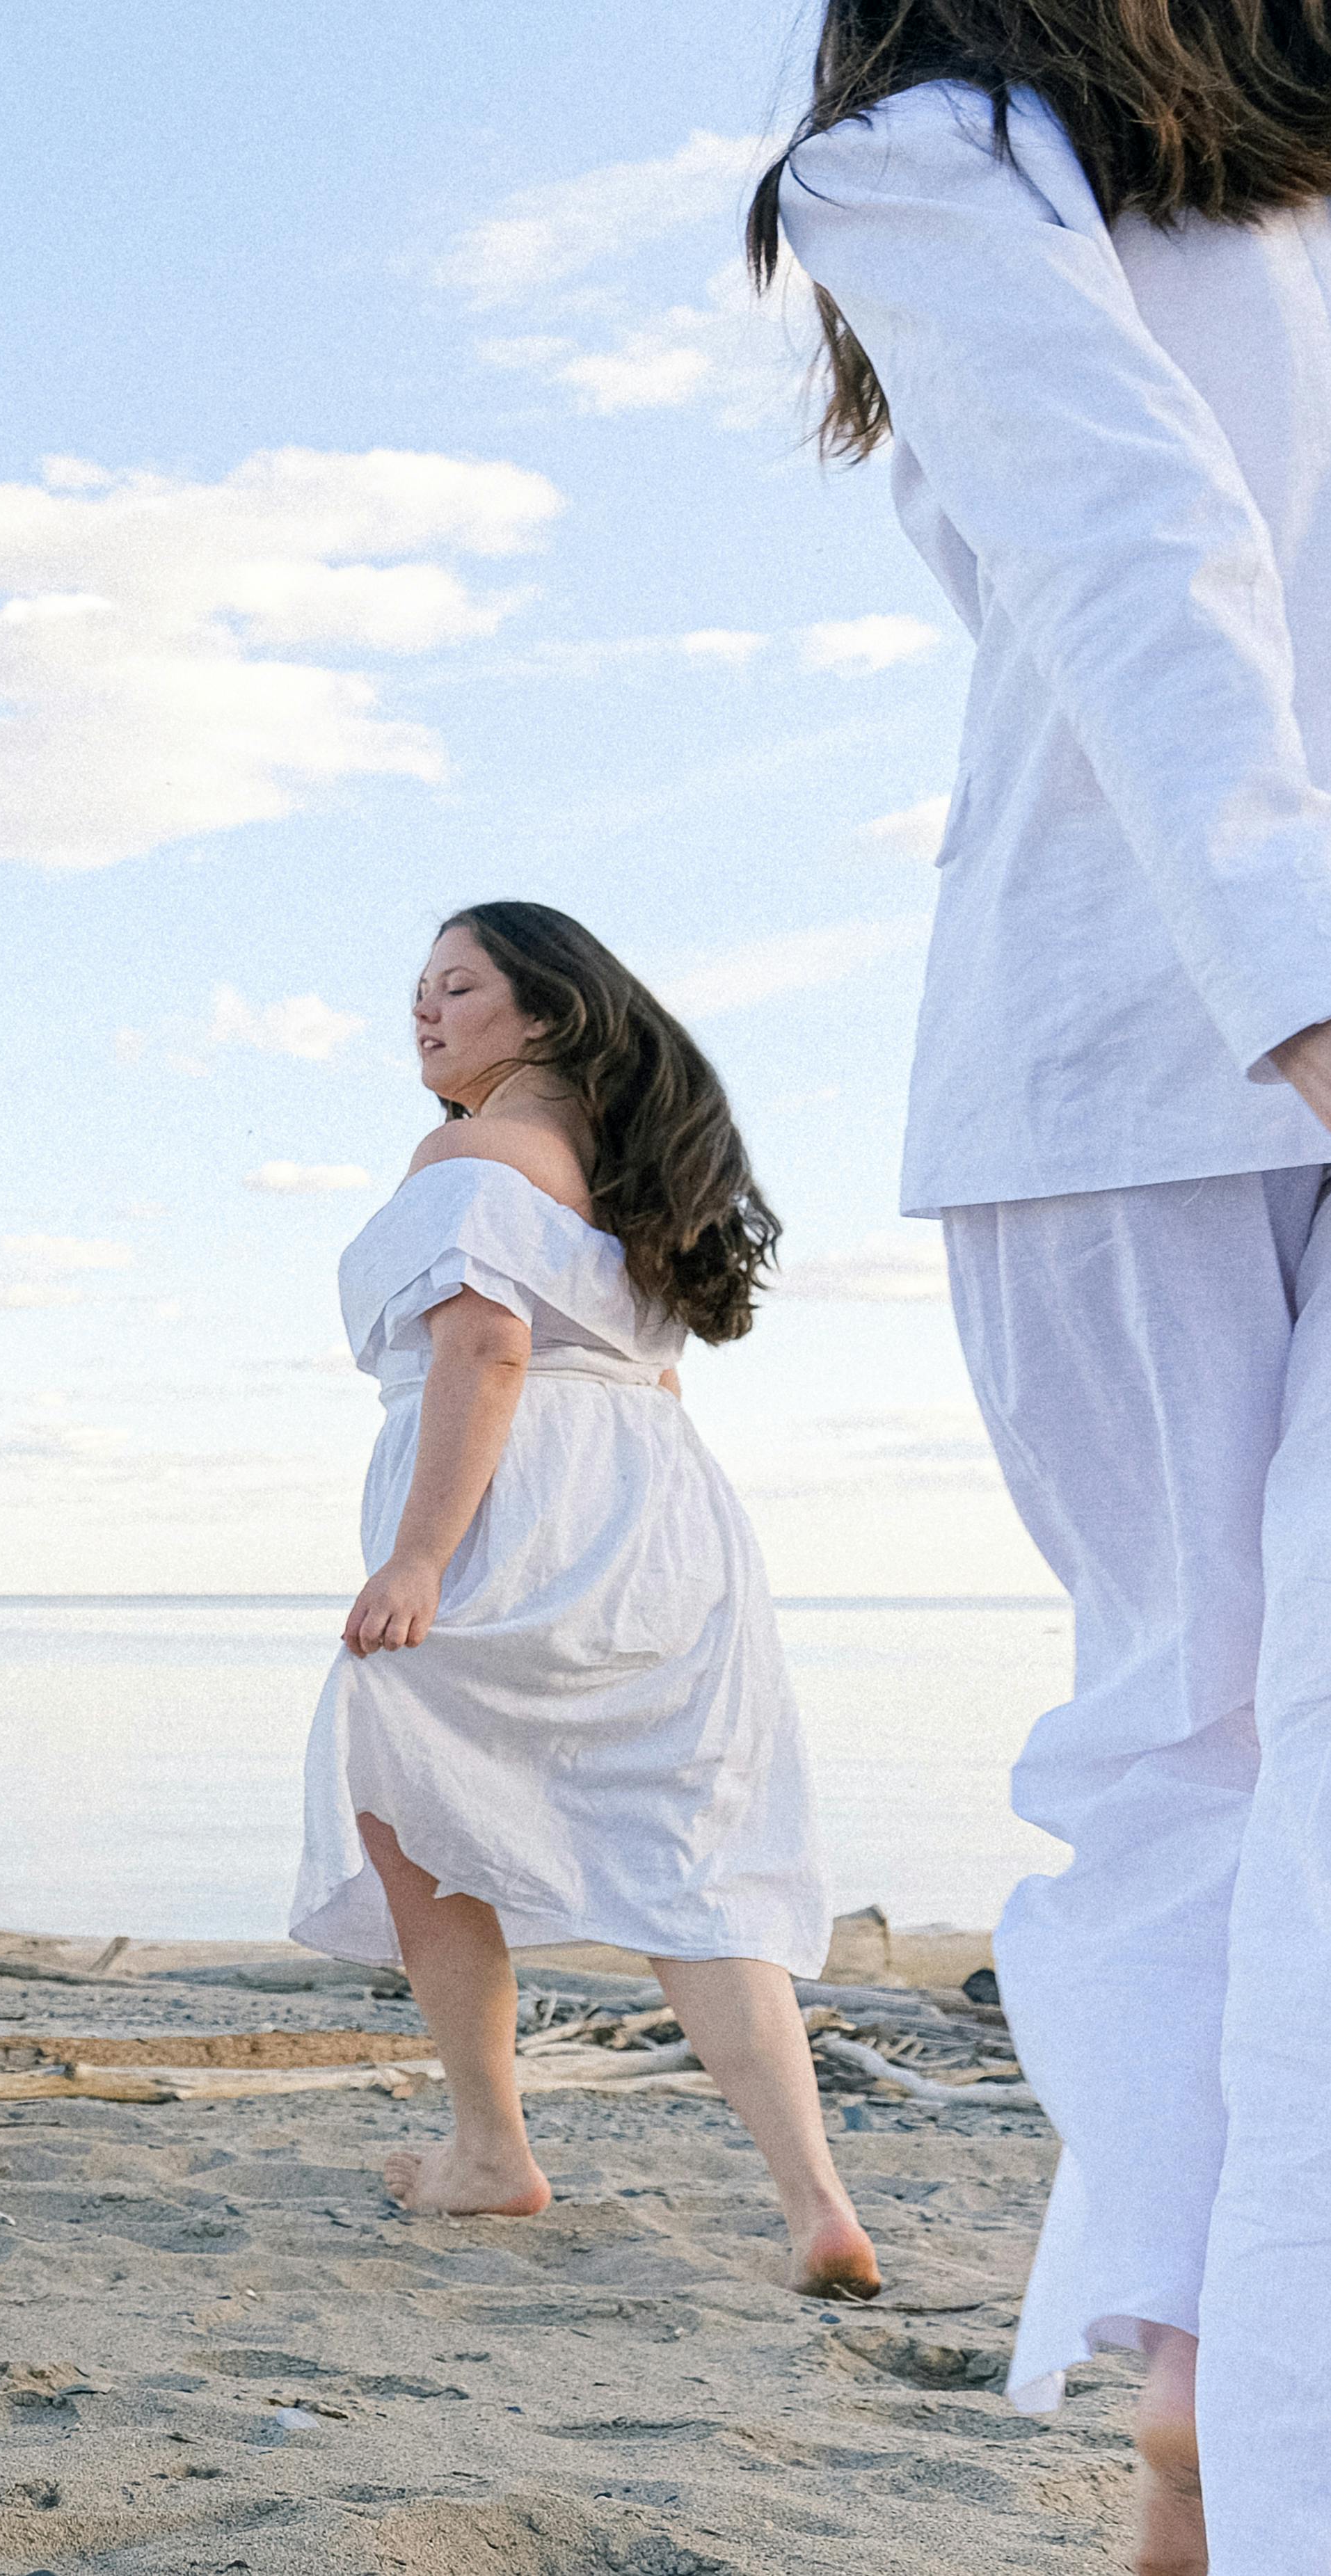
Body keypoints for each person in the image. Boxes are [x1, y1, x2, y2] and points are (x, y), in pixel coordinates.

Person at [758, 7, 1331, 2561]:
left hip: (1167, 1015)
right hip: (1143, 1039)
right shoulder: (928, 155)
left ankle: (1219, 2409)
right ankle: (1208, 2401)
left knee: (1209, 1753)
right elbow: (1123, 527)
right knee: (1194, 1741)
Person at [295, 906, 875, 2303]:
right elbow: (642, 1376)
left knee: (400, 1797)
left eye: (455, 987)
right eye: (416, 989)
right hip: (664, 1523)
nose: (422, 1014)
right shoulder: (628, 1189)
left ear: (548, 1013)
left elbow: (484, 1345)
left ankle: (487, 2144)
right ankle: (815, 2202)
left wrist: (420, 1557)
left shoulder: (468, 1155)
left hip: (519, 1512)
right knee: (695, 1863)